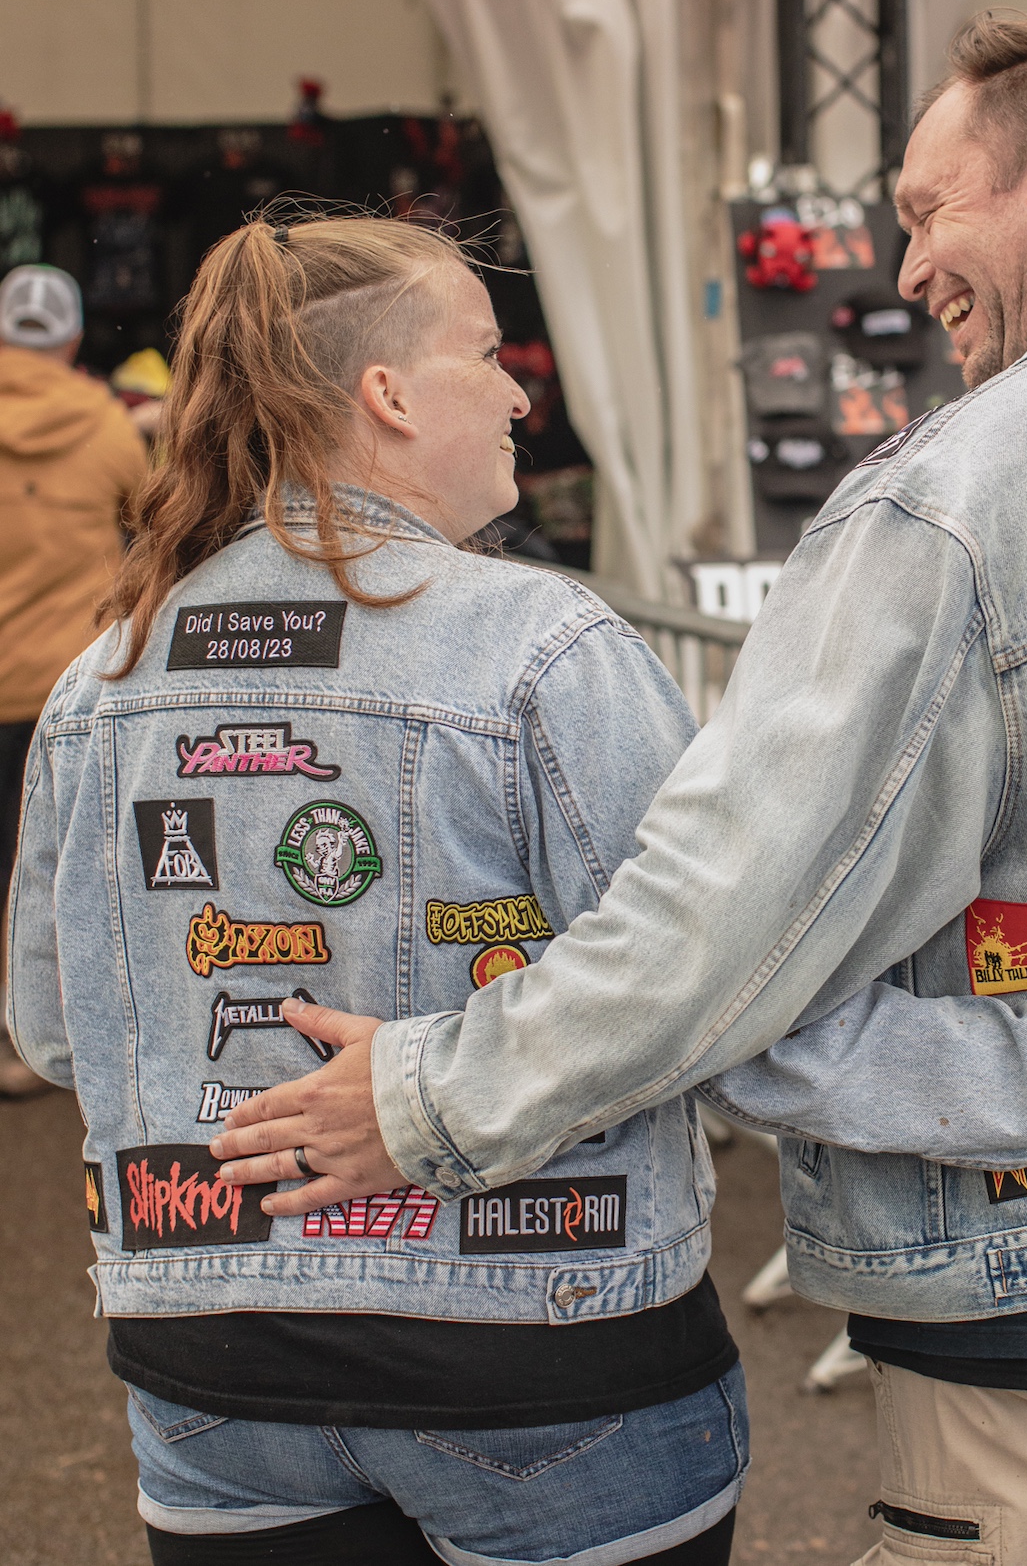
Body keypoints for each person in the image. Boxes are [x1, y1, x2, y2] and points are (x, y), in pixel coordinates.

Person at [206, 7, 1027, 1561]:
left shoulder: (955, 493)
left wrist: (431, 1098)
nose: (901, 270)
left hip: (1024, 1295)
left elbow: (725, 921)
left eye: (925, 210)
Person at [8, 213, 771, 1566]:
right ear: (390, 393)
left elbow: (59, 1028)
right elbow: (716, 991)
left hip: (212, 1373)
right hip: (550, 1363)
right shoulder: (549, 647)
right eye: (488, 352)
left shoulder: (103, 676)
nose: (522, 390)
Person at [0, 261, 147, 1097]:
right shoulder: (105, 427)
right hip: (65, 696)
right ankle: (49, 1038)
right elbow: (155, 529)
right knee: (62, 863)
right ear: (75, 338)